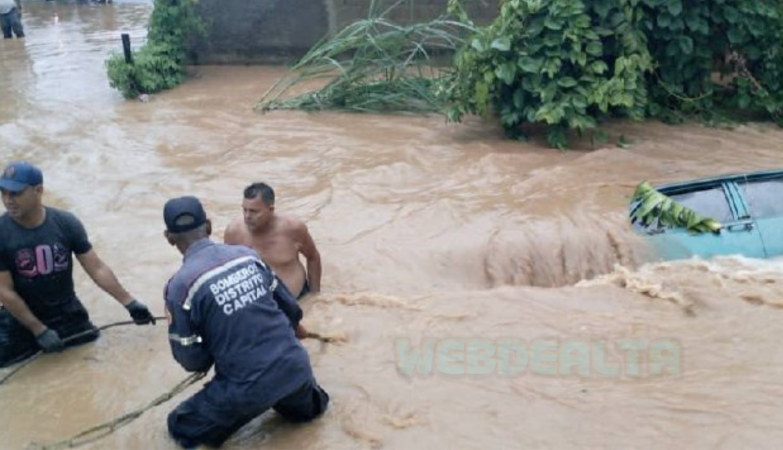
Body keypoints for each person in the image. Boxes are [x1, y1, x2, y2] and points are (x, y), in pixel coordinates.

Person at [162, 195, 329, 448]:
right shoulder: (248, 256)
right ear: (208, 226)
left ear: (169, 238)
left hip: (245, 387)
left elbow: (192, 361)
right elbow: (291, 310)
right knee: (311, 416)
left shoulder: (179, 288)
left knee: (179, 425)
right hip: (295, 368)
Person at [0, 161, 155, 368]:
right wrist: (39, 330)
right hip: (20, 319)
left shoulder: (66, 223)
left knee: (90, 355)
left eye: (16, 193)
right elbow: (4, 291)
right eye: (3, 193)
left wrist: (130, 303)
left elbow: (97, 268)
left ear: (38, 191)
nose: (8, 200)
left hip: (66, 314)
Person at [224, 182, 321, 300]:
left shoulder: (293, 229)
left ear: (270, 209)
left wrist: (314, 296)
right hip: (258, 303)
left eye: (254, 211)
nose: (247, 216)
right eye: (245, 210)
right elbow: (228, 270)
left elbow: (313, 257)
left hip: (297, 299)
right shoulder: (233, 233)